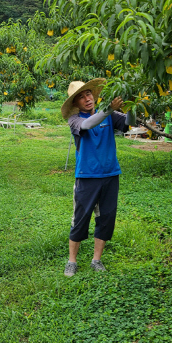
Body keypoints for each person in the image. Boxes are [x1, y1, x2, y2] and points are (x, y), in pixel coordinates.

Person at [61, 79, 131, 277]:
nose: (87, 99)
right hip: (87, 176)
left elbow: (128, 122)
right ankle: (72, 261)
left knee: (106, 218)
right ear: (75, 104)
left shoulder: (110, 114)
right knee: (80, 219)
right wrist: (109, 109)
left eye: (88, 94)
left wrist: (135, 105)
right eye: (81, 97)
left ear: (94, 95)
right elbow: (89, 124)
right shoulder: (75, 120)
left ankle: (96, 260)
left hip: (110, 173)